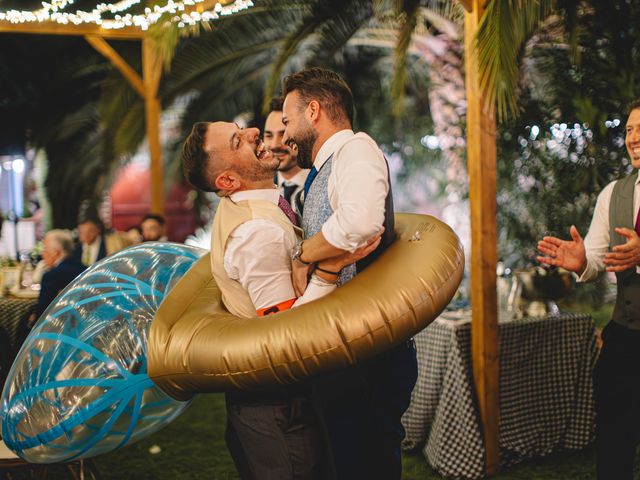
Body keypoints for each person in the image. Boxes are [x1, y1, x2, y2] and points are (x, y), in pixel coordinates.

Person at [181, 120, 380, 480]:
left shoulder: (253, 207)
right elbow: (285, 335)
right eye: (238, 140)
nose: (255, 131)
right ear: (226, 182)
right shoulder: (258, 232)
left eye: (242, 128)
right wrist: (329, 270)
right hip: (277, 408)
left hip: (268, 400)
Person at [280, 67, 418, 480]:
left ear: (315, 110)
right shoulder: (323, 171)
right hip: (346, 346)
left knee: (366, 464)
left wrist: (303, 254)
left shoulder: (356, 150)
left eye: (288, 121)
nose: (286, 134)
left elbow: (360, 224)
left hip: (370, 353)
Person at [537, 99, 640, 480]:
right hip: (626, 336)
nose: (633, 138)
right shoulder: (613, 194)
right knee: (615, 439)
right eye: (629, 130)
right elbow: (598, 260)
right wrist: (581, 261)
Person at [265, 96, 309, 211]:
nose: (274, 145)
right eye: (269, 136)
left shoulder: (326, 180)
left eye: (283, 133)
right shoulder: (261, 192)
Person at [32, 230, 86, 322]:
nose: (42, 254)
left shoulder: (51, 276)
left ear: (55, 252)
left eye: (45, 249)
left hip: (58, 328)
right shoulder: (84, 269)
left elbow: (41, 315)